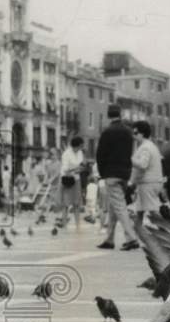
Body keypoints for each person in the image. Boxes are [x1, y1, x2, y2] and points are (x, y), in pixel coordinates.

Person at [95, 104, 139, 251]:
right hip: (124, 174)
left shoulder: (107, 132)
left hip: (111, 173)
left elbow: (100, 154)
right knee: (113, 206)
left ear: (108, 115)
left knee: (119, 207)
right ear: (120, 114)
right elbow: (131, 153)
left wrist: (102, 173)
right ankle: (109, 239)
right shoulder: (128, 132)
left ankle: (131, 238)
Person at [129, 121, 164, 227]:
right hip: (149, 183)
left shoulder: (145, 147)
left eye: (135, 133)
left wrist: (129, 160)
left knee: (153, 212)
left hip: (147, 183)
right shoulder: (151, 146)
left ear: (142, 133)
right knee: (139, 211)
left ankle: (167, 233)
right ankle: (137, 237)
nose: (133, 136)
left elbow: (143, 164)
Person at [60, 135, 85, 231]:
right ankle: (64, 225)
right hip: (67, 179)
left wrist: (80, 169)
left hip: (76, 179)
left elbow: (81, 165)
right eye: (81, 146)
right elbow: (65, 169)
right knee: (66, 204)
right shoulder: (66, 154)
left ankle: (78, 225)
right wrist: (76, 169)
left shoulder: (80, 153)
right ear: (76, 145)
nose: (82, 148)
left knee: (77, 203)